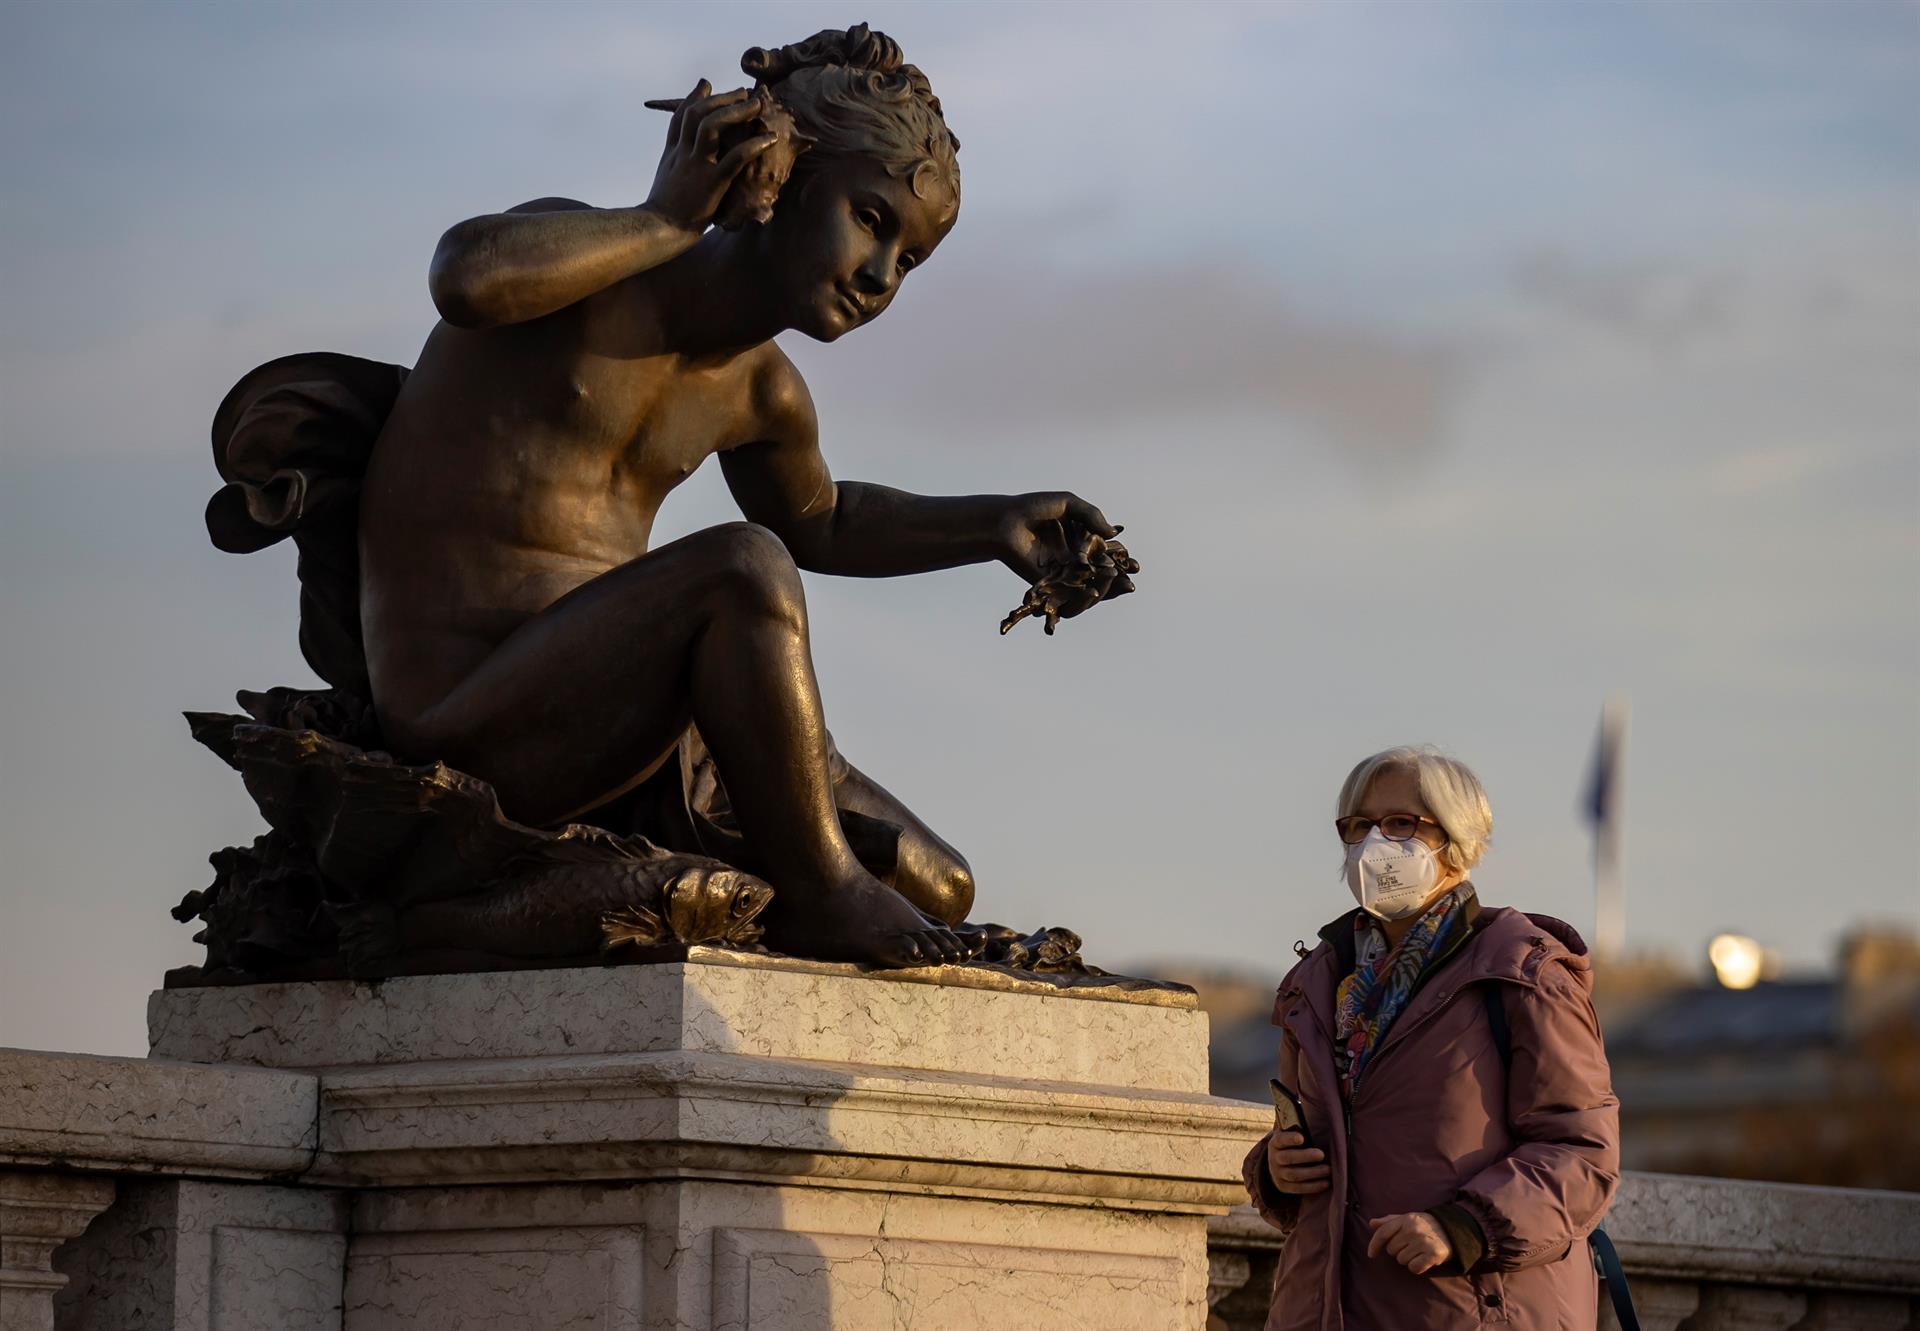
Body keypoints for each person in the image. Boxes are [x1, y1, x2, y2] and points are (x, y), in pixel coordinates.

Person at [206, 26, 1134, 972]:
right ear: (785, 177)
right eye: (870, 218)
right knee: (741, 568)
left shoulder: (764, 392)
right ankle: (816, 897)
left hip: (624, 720)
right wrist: (666, 219)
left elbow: (823, 517)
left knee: (940, 887)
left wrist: (992, 522)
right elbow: (466, 277)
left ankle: (630, 900)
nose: (880, 275)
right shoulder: (595, 274)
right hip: (471, 713)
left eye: (910, 258)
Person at [1243, 747, 1619, 1330]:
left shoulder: (1523, 973)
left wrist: (1463, 1227)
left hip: (1467, 1308)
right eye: (1358, 826)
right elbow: (1311, 1139)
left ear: (1456, 842)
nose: (1373, 843)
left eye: (1400, 824)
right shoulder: (1316, 985)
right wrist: (1276, 1171)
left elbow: (1581, 1152)